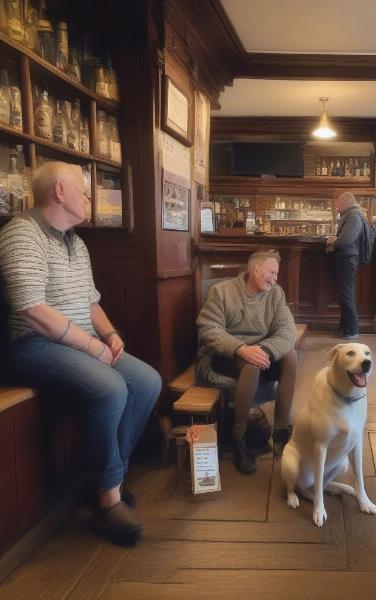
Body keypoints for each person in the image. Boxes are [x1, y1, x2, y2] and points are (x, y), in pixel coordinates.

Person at [0, 161, 161, 546]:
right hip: (33, 346)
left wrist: (109, 333)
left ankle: (109, 478)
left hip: (78, 343)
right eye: (84, 190)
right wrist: (91, 346)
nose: (90, 197)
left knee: (147, 381)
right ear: (59, 191)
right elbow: (31, 308)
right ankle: (107, 502)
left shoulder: (75, 240)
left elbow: (91, 302)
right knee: (111, 388)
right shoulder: (22, 234)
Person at [196, 250, 297, 475]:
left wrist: (266, 350)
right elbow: (208, 329)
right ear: (255, 270)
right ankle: (238, 439)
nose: (275, 278)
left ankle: (280, 433)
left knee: (290, 355)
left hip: (262, 351)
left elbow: (287, 331)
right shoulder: (222, 292)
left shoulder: (275, 294)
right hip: (224, 355)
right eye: (272, 272)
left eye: (276, 273)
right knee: (251, 366)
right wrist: (241, 349)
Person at [326, 192, 364, 339]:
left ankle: (352, 331)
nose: (336, 206)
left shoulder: (353, 216)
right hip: (346, 257)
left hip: (347, 258)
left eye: (339, 204)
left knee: (347, 295)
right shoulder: (350, 215)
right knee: (345, 294)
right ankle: (345, 328)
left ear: (347, 203)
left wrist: (332, 242)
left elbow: (346, 240)